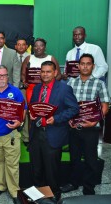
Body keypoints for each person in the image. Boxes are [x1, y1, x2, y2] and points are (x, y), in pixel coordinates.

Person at [29, 61, 79, 201]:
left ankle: (54, 195)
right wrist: (31, 114)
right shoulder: (38, 88)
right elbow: (33, 105)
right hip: (36, 133)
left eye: (48, 71)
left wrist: (56, 119)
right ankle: (38, 195)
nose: (45, 74)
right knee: (36, 168)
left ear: (55, 72)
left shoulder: (64, 89)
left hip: (53, 133)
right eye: (43, 71)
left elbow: (74, 109)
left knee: (52, 169)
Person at [60, 54, 110, 195]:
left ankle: (89, 188)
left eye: (88, 63)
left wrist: (95, 121)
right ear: (78, 66)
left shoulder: (100, 83)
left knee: (91, 160)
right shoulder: (71, 82)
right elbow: (65, 104)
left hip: (91, 128)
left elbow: (105, 106)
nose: (85, 66)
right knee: (74, 157)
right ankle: (73, 183)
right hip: (73, 127)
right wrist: (68, 119)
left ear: (93, 66)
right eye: (83, 63)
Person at [0, 65, 26, 204]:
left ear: (8, 77)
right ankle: (0, 186)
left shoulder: (15, 91)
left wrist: (19, 122)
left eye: (4, 75)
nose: (1, 78)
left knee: (12, 164)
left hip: (11, 134)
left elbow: (23, 109)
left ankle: (15, 191)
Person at [21, 38, 62, 103]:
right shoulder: (28, 58)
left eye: (41, 45)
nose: (38, 48)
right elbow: (23, 74)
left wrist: (50, 84)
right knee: (32, 107)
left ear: (45, 48)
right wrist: (24, 81)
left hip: (48, 88)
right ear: (33, 48)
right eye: (36, 46)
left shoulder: (51, 58)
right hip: (32, 88)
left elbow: (59, 75)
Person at [15, 38, 30, 145]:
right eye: (18, 44)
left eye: (23, 44)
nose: (21, 46)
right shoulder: (11, 56)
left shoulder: (31, 58)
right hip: (13, 89)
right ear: (15, 46)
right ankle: (14, 133)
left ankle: (26, 137)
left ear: (27, 47)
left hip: (25, 89)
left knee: (25, 112)